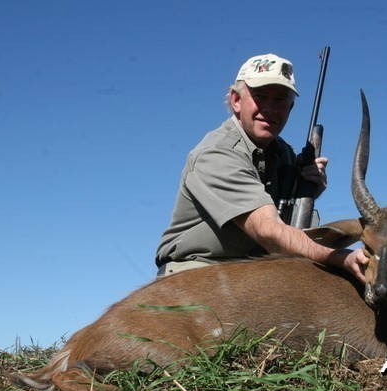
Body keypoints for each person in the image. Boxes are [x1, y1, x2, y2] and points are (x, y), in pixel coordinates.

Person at [155, 53, 368, 282]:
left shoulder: (284, 154)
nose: (270, 109)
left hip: (248, 273)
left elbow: (291, 226)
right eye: (260, 96)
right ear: (236, 100)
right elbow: (268, 230)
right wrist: (340, 257)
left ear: (290, 108)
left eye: (280, 100)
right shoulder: (217, 153)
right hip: (198, 271)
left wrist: (306, 191)